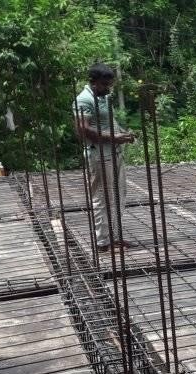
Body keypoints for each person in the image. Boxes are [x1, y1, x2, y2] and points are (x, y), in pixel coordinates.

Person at [73, 62, 136, 252]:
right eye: (104, 85)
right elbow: (83, 130)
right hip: (99, 155)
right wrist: (114, 137)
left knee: (118, 195)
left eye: (109, 85)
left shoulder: (104, 97)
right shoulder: (83, 100)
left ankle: (115, 237)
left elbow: (109, 122)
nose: (107, 88)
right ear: (93, 82)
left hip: (114, 152)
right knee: (102, 196)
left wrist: (123, 133)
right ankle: (103, 242)